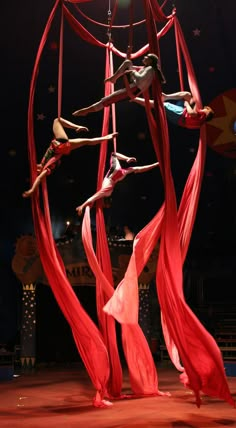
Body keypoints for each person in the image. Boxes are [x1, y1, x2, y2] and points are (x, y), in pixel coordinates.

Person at [22, 117, 118, 198]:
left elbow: (34, 166)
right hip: (60, 145)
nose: (36, 167)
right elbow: (39, 178)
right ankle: (78, 127)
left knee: (87, 141)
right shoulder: (47, 169)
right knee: (57, 120)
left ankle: (107, 137)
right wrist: (32, 190)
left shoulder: (43, 164)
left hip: (63, 147)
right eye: (36, 170)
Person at [72, 53, 166, 117]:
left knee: (108, 99)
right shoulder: (148, 68)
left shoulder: (150, 69)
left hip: (133, 89)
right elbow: (130, 66)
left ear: (150, 60)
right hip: (133, 87)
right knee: (127, 62)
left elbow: (140, 79)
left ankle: (86, 111)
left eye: (146, 57)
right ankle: (114, 78)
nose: (144, 58)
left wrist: (132, 72)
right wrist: (129, 53)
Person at [76, 152, 159, 216]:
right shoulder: (109, 189)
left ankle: (127, 159)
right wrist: (156, 164)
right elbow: (142, 168)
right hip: (115, 176)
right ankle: (127, 159)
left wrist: (82, 206)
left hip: (113, 176)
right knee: (114, 156)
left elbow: (93, 197)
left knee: (114, 155)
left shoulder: (107, 190)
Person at [133, 91, 214, 129]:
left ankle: (134, 99)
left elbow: (192, 113)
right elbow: (193, 114)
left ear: (207, 114)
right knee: (187, 94)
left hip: (180, 116)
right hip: (181, 113)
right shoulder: (200, 119)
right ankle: (166, 97)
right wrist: (194, 101)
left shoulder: (202, 117)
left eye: (206, 110)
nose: (204, 109)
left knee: (163, 105)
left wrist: (187, 104)